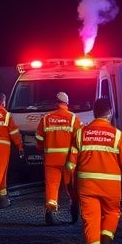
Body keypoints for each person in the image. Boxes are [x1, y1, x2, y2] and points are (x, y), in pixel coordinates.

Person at [66, 97, 122, 244]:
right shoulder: (118, 135)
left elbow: (70, 165)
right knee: (112, 213)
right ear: (110, 113)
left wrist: (70, 187)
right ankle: (106, 238)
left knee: (90, 220)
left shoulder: (80, 134)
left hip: (86, 185)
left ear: (94, 112)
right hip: (111, 185)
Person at [35, 91, 82, 225]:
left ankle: (50, 212)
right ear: (67, 103)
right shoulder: (73, 119)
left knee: (52, 185)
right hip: (68, 160)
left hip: (51, 158)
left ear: (56, 103)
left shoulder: (46, 118)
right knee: (71, 186)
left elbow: (38, 138)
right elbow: (78, 141)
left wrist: (42, 149)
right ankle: (74, 207)